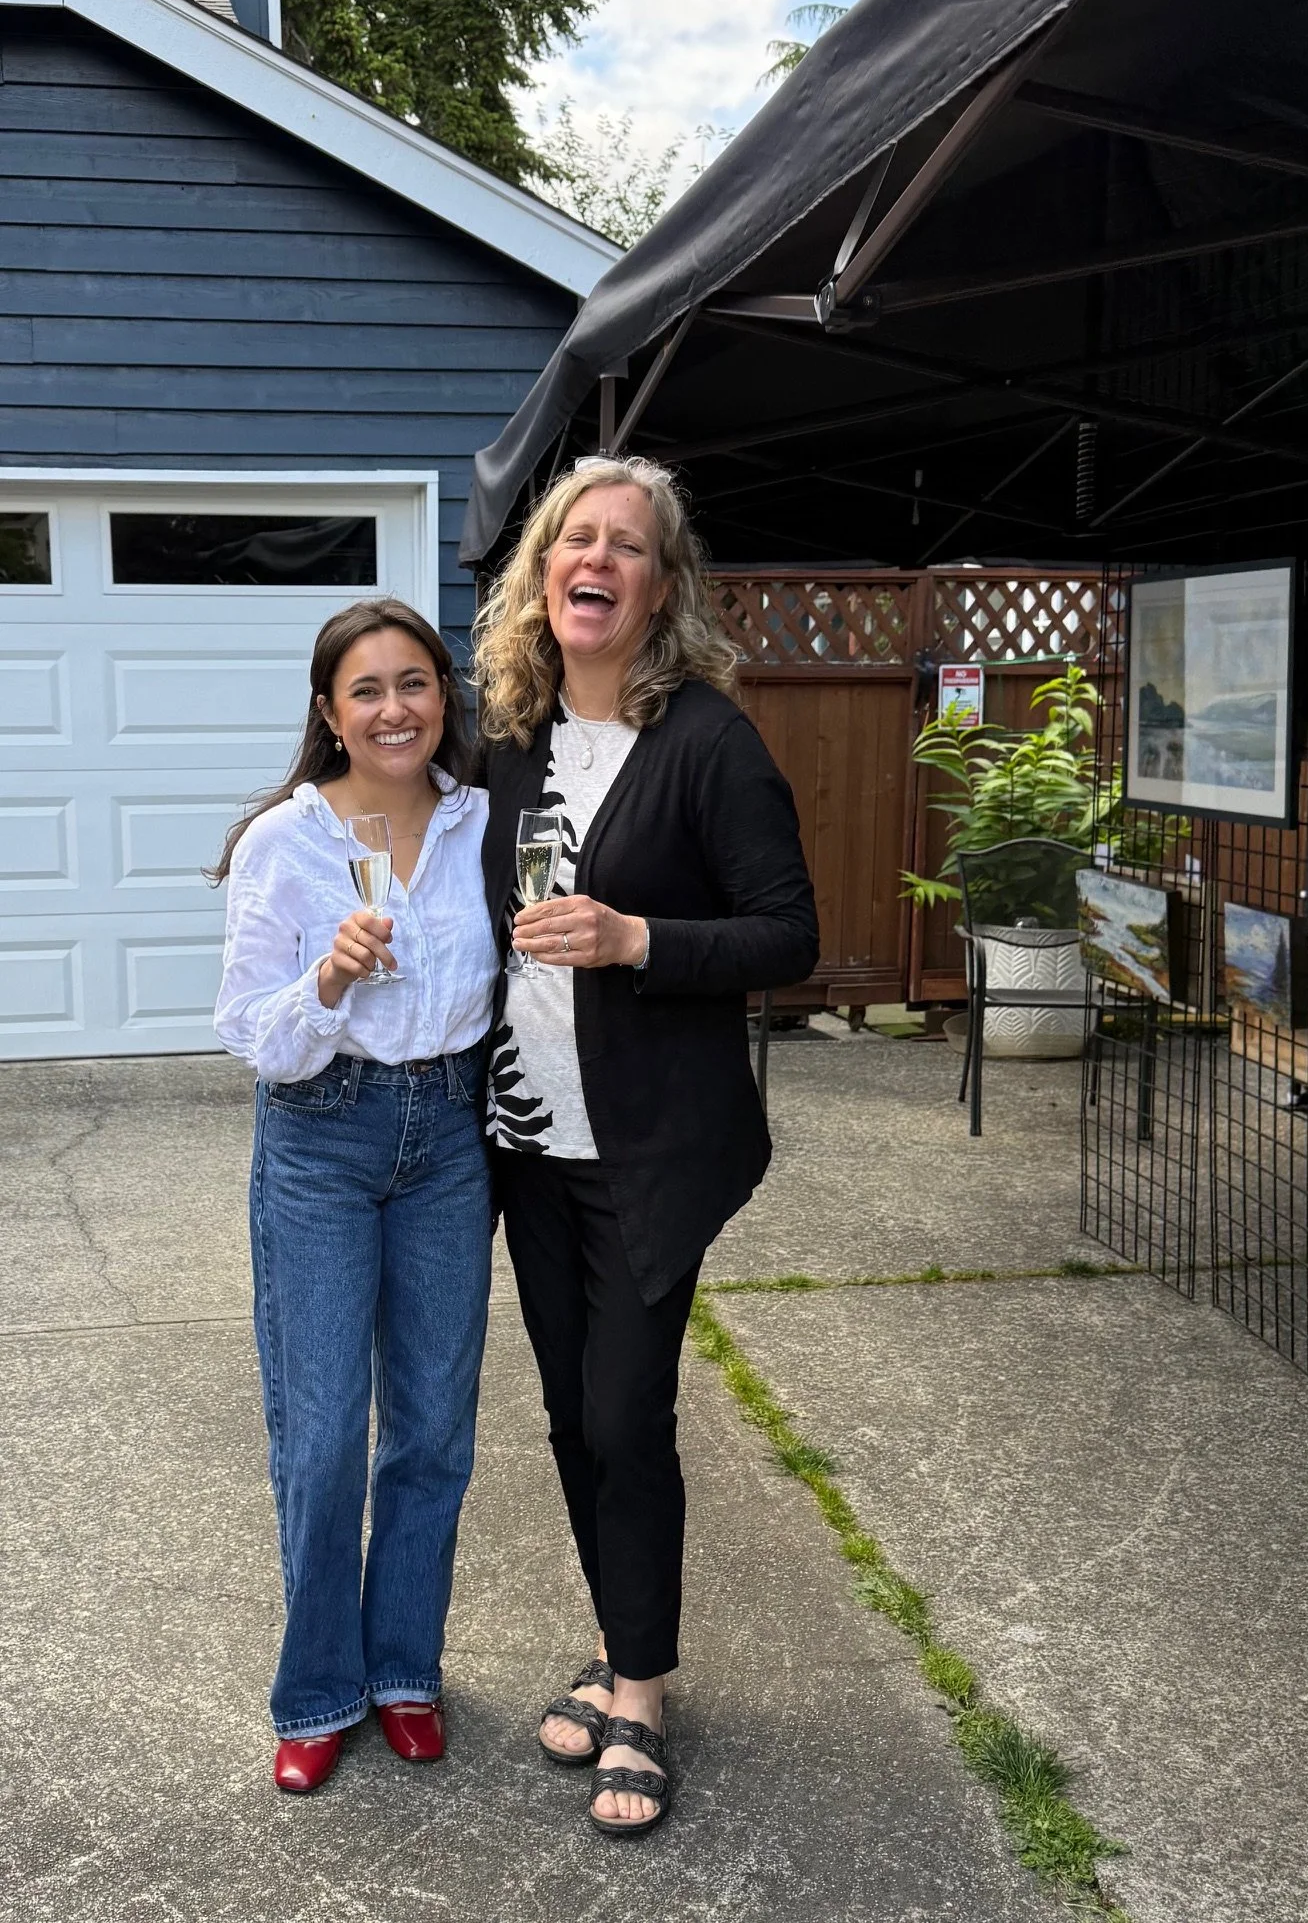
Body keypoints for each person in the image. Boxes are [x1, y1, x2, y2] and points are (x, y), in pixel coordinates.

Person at [470, 455, 818, 1837]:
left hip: (653, 1149)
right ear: (543, 573)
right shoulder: (509, 737)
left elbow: (787, 935)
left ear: (659, 587)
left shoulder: (708, 743)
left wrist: (634, 941)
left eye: (624, 542)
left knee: (626, 1413)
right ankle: (620, 1647)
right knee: (569, 1415)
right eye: (573, 537)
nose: (593, 558)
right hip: (526, 1141)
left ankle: (646, 1694)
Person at [213, 599, 497, 1794]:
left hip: (452, 1138)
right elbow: (246, 1033)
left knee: (431, 1428)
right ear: (330, 711)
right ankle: (320, 1688)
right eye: (367, 688)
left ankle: (403, 1672)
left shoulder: (488, 819)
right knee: (324, 1437)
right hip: (324, 1138)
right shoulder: (289, 838)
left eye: (415, 682)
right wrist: (328, 976)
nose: (394, 707)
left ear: (445, 695)